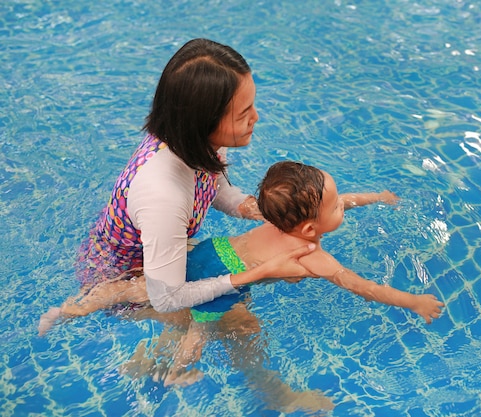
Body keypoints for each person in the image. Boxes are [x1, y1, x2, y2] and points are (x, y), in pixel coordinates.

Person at [41, 161, 445, 388]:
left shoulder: (276, 216)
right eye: (338, 206)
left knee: (134, 288)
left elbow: (339, 202)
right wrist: (415, 302)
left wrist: (374, 197)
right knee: (201, 331)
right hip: (228, 280)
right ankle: (175, 371)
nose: (345, 205)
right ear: (310, 230)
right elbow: (364, 287)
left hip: (212, 252)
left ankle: (64, 311)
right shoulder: (311, 254)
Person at [68, 39, 316, 316]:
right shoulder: (164, 194)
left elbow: (211, 184)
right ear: (203, 121)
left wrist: (252, 209)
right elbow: (166, 299)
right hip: (125, 281)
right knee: (237, 318)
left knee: (235, 296)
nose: (256, 117)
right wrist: (259, 273)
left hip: (160, 253)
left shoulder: (190, 139)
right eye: (243, 114)